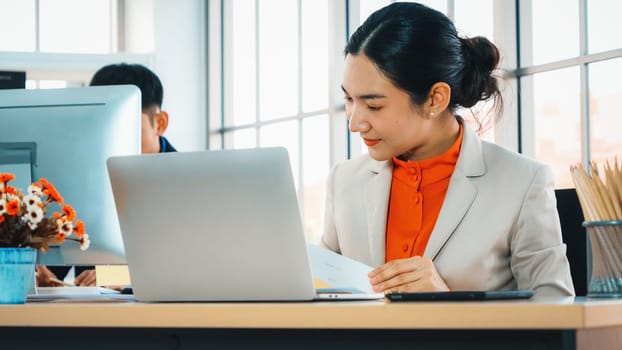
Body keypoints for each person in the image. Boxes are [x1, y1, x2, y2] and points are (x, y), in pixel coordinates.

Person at [321, 2, 574, 297]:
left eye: (374, 105)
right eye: (349, 100)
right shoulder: (343, 181)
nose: (355, 123)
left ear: (435, 99)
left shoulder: (522, 182)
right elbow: (323, 296)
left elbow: (556, 312)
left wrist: (452, 304)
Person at [36, 63, 177, 287]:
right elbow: (59, 259)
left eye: (127, 128)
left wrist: (119, 278)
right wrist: (41, 274)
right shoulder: (81, 179)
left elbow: (186, 267)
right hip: (93, 314)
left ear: (159, 123)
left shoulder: (186, 184)